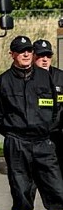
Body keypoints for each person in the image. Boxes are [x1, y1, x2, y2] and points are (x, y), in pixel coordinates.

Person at [0, 35, 63, 210]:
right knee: (21, 192)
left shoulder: (45, 78)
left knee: (57, 191)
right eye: (21, 51)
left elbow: (57, 109)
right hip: (18, 143)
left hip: (43, 142)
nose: (26, 54)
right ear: (12, 54)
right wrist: (13, 134)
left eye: (29, 50)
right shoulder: (3, 82)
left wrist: (46, 130)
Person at [33, 39, 63, 168]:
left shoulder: (60, 77)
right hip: (33, 137)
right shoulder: (26, 78)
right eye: (40, 55)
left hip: (56, 137)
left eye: (48, 56)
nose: (45, 59)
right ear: (33, 56)